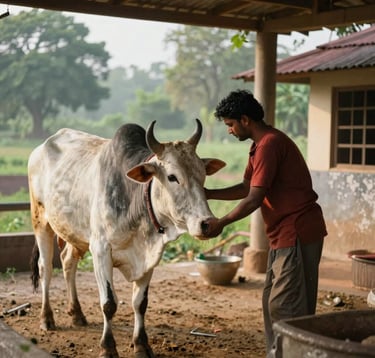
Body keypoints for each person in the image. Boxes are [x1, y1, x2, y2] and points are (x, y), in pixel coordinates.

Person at [202, 89, 327, 357]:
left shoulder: (270, 144)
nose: (230, 131)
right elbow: (247, 186)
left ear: (245, 120)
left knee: (286, 306)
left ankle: (293, 353)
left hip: (296, 230)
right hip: (282, 234)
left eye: (230, 125)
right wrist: (209, 193)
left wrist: (222, 222)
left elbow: (254, 198)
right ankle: (279, 353)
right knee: (273, 301)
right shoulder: (258, 146)